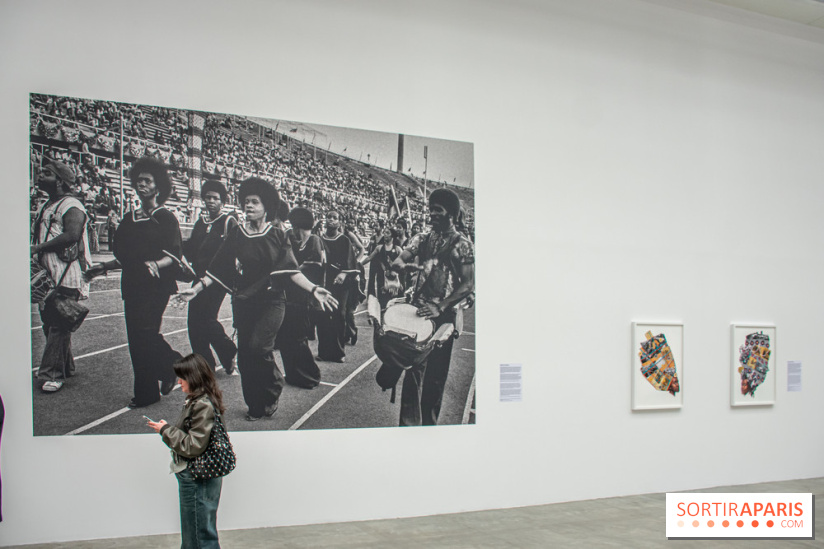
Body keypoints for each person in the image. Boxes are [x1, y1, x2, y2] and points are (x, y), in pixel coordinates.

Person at [175, 178, 338, 421]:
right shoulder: (236, 233)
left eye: (254, 202)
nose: (248, 205)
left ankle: (273, 387)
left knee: (259, 347)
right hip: (244, 301)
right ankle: (256, 404)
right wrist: (196, 289)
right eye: (246, 201)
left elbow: (291, 270)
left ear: (266, 206)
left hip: (272, 301)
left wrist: (314, 289)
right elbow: (219, 267)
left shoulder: (277, 234)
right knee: (245, 356)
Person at [85, 157, 183, 408]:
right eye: (139, 180)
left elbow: (174, 255)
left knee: (146, 335)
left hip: (157, 287)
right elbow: (126, 257)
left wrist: (156, 264)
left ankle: (173, 364)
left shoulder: (166, 218)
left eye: (147, 181)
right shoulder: (128, 220)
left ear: (158, 187)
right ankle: (147, 392)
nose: (142, 184)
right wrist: (103, 267)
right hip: (132, 285)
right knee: (136, 340)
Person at [390, 188, 475, 426]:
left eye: (438, 210)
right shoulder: (422, 238)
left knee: (435, 378)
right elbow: (400, 259)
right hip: (418, 314)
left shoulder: (463, 245)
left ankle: (429, 426)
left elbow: (468, 284)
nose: (433, 214)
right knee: (413, 371)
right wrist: (397, 270)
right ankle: (408, 427)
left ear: (452, 214)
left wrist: (442, 305)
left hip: (444, 317)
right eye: (431, 210)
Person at [147, 354, 226, 549]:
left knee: (197, 537)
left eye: (182, 377)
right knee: (199, 534)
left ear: (193, 378)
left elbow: (193, 446)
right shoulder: (202, 401)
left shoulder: (201, 404)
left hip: (196, 477)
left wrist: (165, 430)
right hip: (201, 476)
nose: (179, 382)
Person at [30, 160, 90, 393]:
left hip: (66, 273)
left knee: (58, 324)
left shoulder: (72, 205)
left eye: (47, 173)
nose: (40, 175)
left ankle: (51, 374)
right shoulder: (47, 204)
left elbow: (72, 235)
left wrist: (38, 248)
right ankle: (66, 365)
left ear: (60, 181)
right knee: (50, 322)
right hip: (48, 273)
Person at [183, 180, 238, 374]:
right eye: (208, 197)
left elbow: (233, 251)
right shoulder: (200, 223)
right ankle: (206, 363)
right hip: (198, 277)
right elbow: (192, 249)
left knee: (206, 319)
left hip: (217, 279)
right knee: (193, 323)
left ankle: (227, 350)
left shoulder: (228, 222)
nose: (211, 201)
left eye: (215, 198)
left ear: (222, 201)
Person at [278, 207, 324, 388]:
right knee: (285, 336)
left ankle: (310, 375)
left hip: (304, 293)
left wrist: (290, 270)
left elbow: (313, 266)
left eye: (301, 229)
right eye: (295, 227)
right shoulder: (289, 237)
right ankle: (292, 374)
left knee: (298, 336)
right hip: (287, 292)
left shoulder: (314, 241)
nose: (297, 233)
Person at [316, 209, 358, 363]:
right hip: (324, 281)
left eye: (334, 218)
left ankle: (339, 352)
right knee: (323, 315)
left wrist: (344, 273)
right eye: (329, 217)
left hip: (341, 283)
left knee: (339, 315)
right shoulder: (319, 239)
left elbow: (350, 261)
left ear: (339, 222)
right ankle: (323, 351)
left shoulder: (344, 240)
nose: (331, 220)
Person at [361, 226, 403, 310]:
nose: (385, 235)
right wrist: (359, 264)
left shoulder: (397, 249)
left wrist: (394, 268)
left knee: (393, 302)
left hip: (393, 278)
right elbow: (369, 258)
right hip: (382, 278)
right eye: (384, 233)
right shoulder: (379, 248)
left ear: (392, 236)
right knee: (382, 301)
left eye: (388, 233)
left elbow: (404, 261)